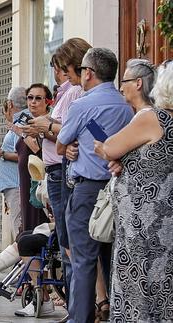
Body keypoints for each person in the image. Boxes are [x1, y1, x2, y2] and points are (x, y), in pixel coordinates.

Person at [56, 48, 134, 323]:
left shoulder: (82, 105)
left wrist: (71, 147)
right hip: (121, 188)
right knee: (113, 258)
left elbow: (61, 142)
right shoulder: (128, 105)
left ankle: (81, 318)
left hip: (88, 189)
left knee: (84, 259)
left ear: (88, 73)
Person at [94, 60, 172, 321]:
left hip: (144, 224)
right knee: (163, 285)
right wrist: (126, 159)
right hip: (165, 222)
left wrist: (113, 153)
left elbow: (110, 147)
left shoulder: (154, 117)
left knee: (138, 285)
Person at [27, 40, 90, 322]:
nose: (59, 72)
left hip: (65, 170)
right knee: (67, 240)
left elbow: (70, 133)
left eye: (61, 66)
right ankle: (76, 306)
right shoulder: (70, 92)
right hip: (58, 169)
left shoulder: (76, 92)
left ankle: (78, 308)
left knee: (71, 242)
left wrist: (48, 127)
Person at [16, 83, 52, 232]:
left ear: (47, 102)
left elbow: (48, 154)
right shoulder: (26, 123)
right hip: (25, 185)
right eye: (30, 98)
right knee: (26, 229)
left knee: (38, 230)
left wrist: (34, 138)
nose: (33, 102)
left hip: (40, 185)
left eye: (38, 98)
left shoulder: (49, 123)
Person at [0, 87, 24, 241]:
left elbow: (23, 154)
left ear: (10, 104)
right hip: (13, 186)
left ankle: (27, 263)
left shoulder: (22, 123)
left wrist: (1, 154)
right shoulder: (17, 122)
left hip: (17, 185)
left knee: (19, 232)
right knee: (18, 229)